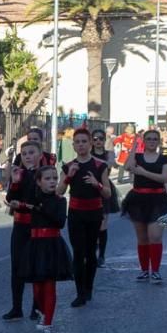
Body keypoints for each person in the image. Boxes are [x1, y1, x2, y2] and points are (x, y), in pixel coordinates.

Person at [16, 166, 73, 333]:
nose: (52, 182)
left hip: (52, 244)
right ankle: (42, 311)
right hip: (35, 244)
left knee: (49, 285)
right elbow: (16, 200)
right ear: (39, 182)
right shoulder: (33, 198)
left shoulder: (59, 200)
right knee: (37, 287)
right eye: (47, 179)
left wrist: (38, 208)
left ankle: (48, 324)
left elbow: (59, 222)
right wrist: (15, 184)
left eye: (54, 178)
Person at [58, 128, 111, 307]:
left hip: (94, 213)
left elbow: (108, 193)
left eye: (84, 141)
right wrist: (68, 177)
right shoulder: (68, 166)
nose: (81, 145)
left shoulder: (99, 165)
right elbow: (59, 192)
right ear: (73, 145)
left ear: (90, 144)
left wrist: (97, 184)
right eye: (77, 142)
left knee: (90, 252)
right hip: (75, 213)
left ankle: (89, 288)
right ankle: (80, 293)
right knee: (78, 253)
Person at [122, 129, 167, 283]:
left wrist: (143, 172)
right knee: (142, 238)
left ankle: (155, 271)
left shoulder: (165, 159)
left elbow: (164, 177)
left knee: (155, 236)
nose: (152, 141)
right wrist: (135, 144)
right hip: (138, 200)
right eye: (148, 138)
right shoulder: (137, 156)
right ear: (144, 141)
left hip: (159, 200)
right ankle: (144, 270)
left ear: (159, 141)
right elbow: (127, 167)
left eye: (155, 139)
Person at [2, 141, 43, 321]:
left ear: (40, 155)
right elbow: (11, 198)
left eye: (31, 152)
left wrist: (23, 205)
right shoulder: (19, 173)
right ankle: (16, 307)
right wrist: (16, 183)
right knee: (17, 267)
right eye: (24, 153)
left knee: (36, 267)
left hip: (37, 226)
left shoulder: (44, 175)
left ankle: (36, 306)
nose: (27, 156)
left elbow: (43, 201)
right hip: (20, 226)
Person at [90, 129, 119, 267]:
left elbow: (110, 164)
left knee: (103, 225)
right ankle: (93, 247)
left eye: (100, 138)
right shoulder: (87, 154)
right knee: (92, 223)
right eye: (95, 139)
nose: (98, 141)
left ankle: (101, 255)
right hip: (90, 188)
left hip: (105, 188)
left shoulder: (109, 154)